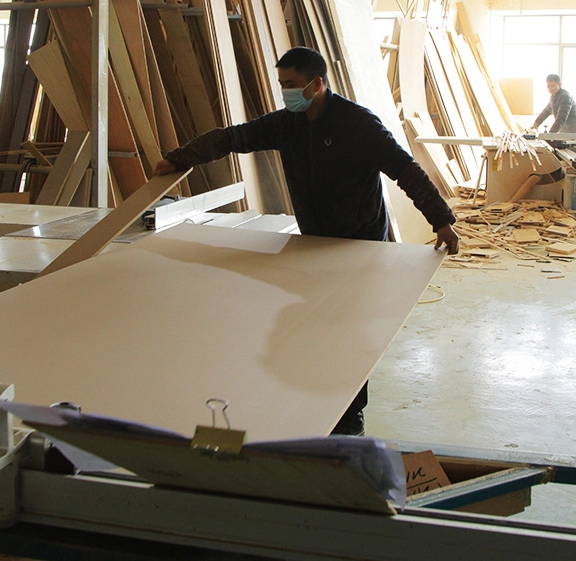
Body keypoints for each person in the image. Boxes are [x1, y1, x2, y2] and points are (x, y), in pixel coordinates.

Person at [154, 46, 459, 435]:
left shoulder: (357, 124)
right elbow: (232, 138)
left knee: (350, 332)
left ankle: (350, 417)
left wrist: (441, 220)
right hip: (313, 241)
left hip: (359, 243)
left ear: (317, 84)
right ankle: (313, 405)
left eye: (292, 85)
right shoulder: (286, 124)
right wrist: (181, 157)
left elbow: (405, 169)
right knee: (315, 326)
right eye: (282, 85)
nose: (286, 93)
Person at [530, 73, 576, 172]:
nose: (550, 88)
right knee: (564, 152)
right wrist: (536, 124)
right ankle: (567, 175)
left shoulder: (565, 96)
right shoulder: (553, 97)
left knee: (575, 154)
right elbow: (546, 111)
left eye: (553, 86)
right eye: (548, 86)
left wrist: (551, 134)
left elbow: (561, 117)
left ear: (559, 85)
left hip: (572, 126)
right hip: (563, 127)